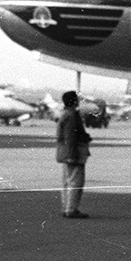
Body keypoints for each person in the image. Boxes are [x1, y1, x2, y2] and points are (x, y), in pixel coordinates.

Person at [54, 90, 92, 218]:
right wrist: (72, 154)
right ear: (74, 101)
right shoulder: (72, 116)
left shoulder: (64, 114)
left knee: (67, 181)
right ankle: (71, 209)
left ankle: (66, 208)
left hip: (65, 152)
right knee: (75, 182)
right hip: (73, 153)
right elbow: (70, 136)